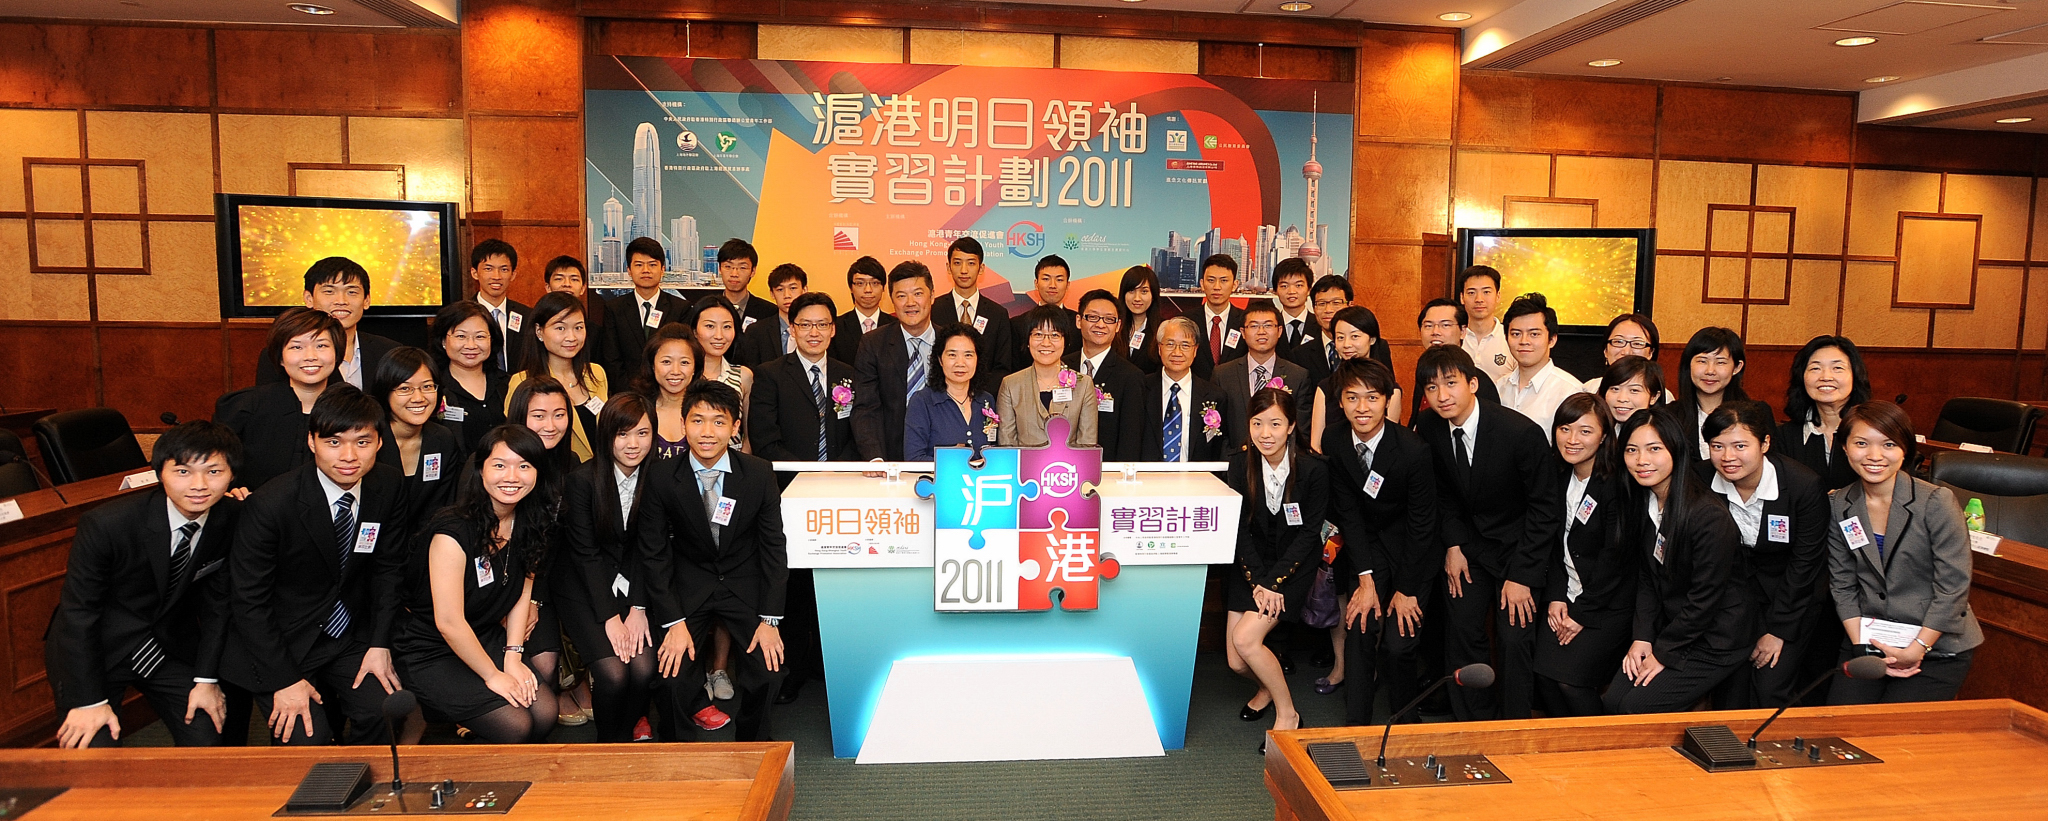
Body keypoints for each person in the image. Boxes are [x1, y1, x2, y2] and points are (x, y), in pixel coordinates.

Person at [219, 385, 409, 745]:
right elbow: (249, 601)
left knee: (383, 710)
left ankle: (363, 779)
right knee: (308, 741)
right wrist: (285, 680)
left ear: (380, 443)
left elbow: (388, 568)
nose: (349, 456)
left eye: (362, 442)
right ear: (312, 442)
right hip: (280, 640)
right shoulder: (272, 504)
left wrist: (379, 644)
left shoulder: (388, 484)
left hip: (345, 633)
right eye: (334, 442)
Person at [46, 421, 244, 748]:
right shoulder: (106, 525)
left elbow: (218, 607)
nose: (199, 485)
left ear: (232, 475)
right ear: (159, 473)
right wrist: (89, 702)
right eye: (183, 472)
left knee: (207, 734)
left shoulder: (232, 518)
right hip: (97, 646)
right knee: (93, 751)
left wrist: (205, 679)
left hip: (165, 643)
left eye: (213, 472)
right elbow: (78, 614)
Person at [1413, 345, 1560, 721]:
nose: (1442, 395)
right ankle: (1473, 722)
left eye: (1451, 383)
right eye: (1431, 388)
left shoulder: (1520, 433)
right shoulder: (1429, 426)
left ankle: (1513, 727)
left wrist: (1523, 575)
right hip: (1469, 546)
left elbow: (1545, 510)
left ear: (1473, 383)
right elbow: (1442, 492)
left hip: (1518, 548)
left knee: (1513, 638)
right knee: (1461, 628)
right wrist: (1453, 544)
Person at [641, 381, 790, 742]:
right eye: (698, 420)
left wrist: (769, 619)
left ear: (735, 427)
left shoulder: (758, 473)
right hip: (689, 586)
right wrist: (673, 621)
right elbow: (654, 553)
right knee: (670, 675)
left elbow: (773, 547)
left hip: (743, 585)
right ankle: (677, 749)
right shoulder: (661, 476)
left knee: (770, 672)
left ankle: (752, 746)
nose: (707, 432)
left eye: (719, 422)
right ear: (683, 423)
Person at [396, 424, 558, 743]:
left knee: (545, 712)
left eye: (524, 466)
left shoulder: (531, 521)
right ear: (481, 469)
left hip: (484, 634)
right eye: (500, 465)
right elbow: (449, 622)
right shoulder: (452, 532)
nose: (512, 477)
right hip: (430, 647)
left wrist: (513, 656)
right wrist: (493, 675)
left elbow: (522, 591)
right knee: (516, 725)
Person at [1827, 401, 1983, 704]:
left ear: (1905, 449)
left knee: (1897, 731)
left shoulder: (1936, 502)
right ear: (1844, 447)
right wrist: (1861, 647)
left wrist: (1917, 648)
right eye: (1861, 443)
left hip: (1935, 646)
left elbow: (1953, 586)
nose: (1874, 456)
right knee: (1839, 724)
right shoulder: (1839, 505)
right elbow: (1842, 584)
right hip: (1869, 641)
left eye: (1888, 444)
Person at [1605, 406, 1750, 714]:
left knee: (1634, 707)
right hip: (1673, 629)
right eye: (1632, 450)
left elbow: (1705, 599)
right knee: (1613, 701)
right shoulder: (1644, 501)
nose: (1642, 460)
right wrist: (1642, 638)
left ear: (1676, 450)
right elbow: (1647, 577)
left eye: (1654, 449)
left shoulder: (1707, 516)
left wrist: (1663, 652)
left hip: (1715, 637)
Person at [1321, 359, 1440, 726]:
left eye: (1372, 397)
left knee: (1399, 642)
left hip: (1412, 549)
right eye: (1352, 397)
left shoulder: (1412, 449)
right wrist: (1366, 579)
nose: (1362, 407)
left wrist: (1405, 589)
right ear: (1340, 401)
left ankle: (1405, 723)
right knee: (1359, 625)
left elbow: (1422, 524)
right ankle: (1356, 724)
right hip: (1367, 546)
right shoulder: (1334, 439)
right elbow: (1348, 512)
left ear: (1388, 401)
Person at [1702, 400, 1831, 709]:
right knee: (1730, 690)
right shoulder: (1701, 480)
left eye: (1740, 446)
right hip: (1731, 601)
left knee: (1769, 686)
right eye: (1717, 446)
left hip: (1790, 599)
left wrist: (1777, 630)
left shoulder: (1802, 486)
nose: (1728, 457)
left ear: (1765, 444)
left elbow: (1805, 565)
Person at [1225, 388, 1329, 750]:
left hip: (1292, 568)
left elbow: (1309, 534)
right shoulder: (1240, 463)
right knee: (1235, 661)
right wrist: (1258, 580)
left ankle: (1288, 714)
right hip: (1250, 566)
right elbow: (1239, 529)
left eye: (1275, 424)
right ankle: (1266, 687)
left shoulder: (1314, 469)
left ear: (1291, 426)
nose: (1265, 433)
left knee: (1245, 639)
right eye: (1257, 424)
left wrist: (1273, 583)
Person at [560, 397, 660, 742]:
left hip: (634, 583)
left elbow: (652, 549)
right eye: (622, 434)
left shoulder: (658, 477)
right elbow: (585, 555)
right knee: (614, 673)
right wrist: (610, 617)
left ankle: (627, 733)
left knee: (644, 669)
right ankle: (608, 743)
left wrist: (638, 607)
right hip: (585, 588)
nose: (633, 444)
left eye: (642, 433)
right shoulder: (582, 481)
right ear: (606, 436)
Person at [1532, 394, 1634, 717]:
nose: (1572, 439)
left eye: (1585, 431)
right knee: (1543, 676)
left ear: (1604, 436)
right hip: (1566, 596)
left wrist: (1581, 614)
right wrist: (1556, 596)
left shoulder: (1617, 484)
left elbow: (1614, 559)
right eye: (1565, 429)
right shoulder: (1558, 475)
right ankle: (1566, 743)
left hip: (1607, 604)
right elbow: (1552, 544)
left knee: (1570, 682)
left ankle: (1604, 741)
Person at [216, 307, 341, 490]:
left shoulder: (355, 409)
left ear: (337, 353)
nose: (310, 357)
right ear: (280, 358)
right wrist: (231, 491)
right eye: (296, 347)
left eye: (321, 346)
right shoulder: (244, 408)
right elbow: (216, 466)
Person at [752, 292, 858, 475]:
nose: (814, 333)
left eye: (822, 324)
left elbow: (858, 431)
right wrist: (805, 473)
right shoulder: (770, 375)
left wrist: (837, 470)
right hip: (788, 480)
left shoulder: (849, 374)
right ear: (793, 329)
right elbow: (764, 439)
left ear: (833, 329)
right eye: (805, 325)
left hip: (840, 478)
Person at [254, 257, 399, 390]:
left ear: (366, 300)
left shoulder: (389, 351)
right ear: (309, 298)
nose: (341, 301)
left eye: (351, 292)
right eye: (329, 291)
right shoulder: (284, 355)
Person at [507, 292, 609, 463]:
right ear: (539, 331)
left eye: (578, 328)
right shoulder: (523, 381)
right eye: (560, 328)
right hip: (554, 471)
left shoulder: (596, 373)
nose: (571, 337)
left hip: (599, 472)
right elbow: (515, 440)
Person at [854, 261, 938, 462]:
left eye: (918, 294)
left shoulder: (950, 342)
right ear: (891, 300)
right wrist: (875, 458)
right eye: (901, 296)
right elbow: (866, 407)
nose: (910, 303)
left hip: (942, 454)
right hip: (890, 456)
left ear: (932, 295)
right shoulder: (873, 344)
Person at [371, 347, 464, 526]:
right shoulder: (368, 440)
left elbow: (442, 507)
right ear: (385, 391)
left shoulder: (443, 440)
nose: (418, 398)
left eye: (427, 387)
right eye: (405, 388)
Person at [997, 304, 1099, 449]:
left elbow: (1087, 445)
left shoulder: (1084, 385)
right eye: (1038, 334)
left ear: (1065, 341)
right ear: (1028, 341)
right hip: (1024, 463)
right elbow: (1007, 444)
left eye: (1055, 335)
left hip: (1070, 464)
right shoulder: (1011, 384)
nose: (1046, 343)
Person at [1214, 300, 1309, 451]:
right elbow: (1218, 429)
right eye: (1254, 326)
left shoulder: (1298, 376)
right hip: (1235, 460)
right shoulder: (1223, 374)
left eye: (1268, 325)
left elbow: (1301, 429)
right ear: (1243, 332)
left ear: (1279, 331)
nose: (1261, 331)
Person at [1779, 335, 1869, 491]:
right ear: (1802, 377)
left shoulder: (1874, 431)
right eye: (1815, 368)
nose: (1826, 377)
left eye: (1837, 368)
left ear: (1855, 375)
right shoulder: (1784, 436)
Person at [1308, 307, 1402, 450]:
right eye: (1340, 337)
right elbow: (1316, 444)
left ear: (1372, 339)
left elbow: (1388, 442)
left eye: (1355, 336)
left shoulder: (1390, 389)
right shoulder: (1326, 387)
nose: (1346, 344)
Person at [1138, 316, 1229, 463]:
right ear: (1159, 348)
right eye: (1170, 344)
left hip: (1197, 476)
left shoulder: (1214, 396)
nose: (1177, 352)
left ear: (1195, 350)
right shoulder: (1140, 389)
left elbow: (1218, 448)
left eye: (1185, 345)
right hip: (1148, 475)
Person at [1070, 289, 1145, 462]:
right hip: (1061, 468)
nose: (1101, 324)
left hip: (1107, 469)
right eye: (1093, 317)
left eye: (1109, 319)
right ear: (1079, 321)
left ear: (1118, 326)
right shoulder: (1061, 367)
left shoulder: (1131, 377)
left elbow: (1130, 440)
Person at [1495, 294, 1584, 440]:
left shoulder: (1570, 392)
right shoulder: (1499, 387)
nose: (1524, 341)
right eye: (1516, 334)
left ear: (1552, 340)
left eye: (1534, 334)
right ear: (1506, 338)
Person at [905, 324, 999, 460]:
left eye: (968, 355)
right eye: (952, 355)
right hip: (939, 475)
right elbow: (914, 459)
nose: (960, 363)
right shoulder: (922, 401)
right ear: (940, 360)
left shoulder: (986, 400)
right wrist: (955, 462)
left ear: (977, 359)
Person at [601, 238, 689, 381]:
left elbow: (684, 354)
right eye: (639, 265)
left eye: (652, 265)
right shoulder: (614, 309)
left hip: (668, 387)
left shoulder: (680, 308)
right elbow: (611, 359)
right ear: (629, 270)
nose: (646, 270)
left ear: (662, 269)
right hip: (627, 389)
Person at [429, 301, 509, 455]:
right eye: (461, 336)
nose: (471, 345)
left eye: (480, 336)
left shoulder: (508, 384)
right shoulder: (432, 388)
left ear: (491, 340)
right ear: (444, 341)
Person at [930, 237, 1015, 375]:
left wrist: (980, 389)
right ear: (948, 267)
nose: (964, 270)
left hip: (986, 388)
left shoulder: (998, 314)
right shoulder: (933, 309)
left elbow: (1002, 366)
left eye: (971, 263)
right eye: (957, 263)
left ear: (981, 268)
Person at [1411, 299, 1499, 421]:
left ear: (1463, 331)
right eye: (1428, 326)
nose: (1435, 332)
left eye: (1445, 325)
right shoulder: (1426, 372)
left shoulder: (1478, 380)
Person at [1677, 327, 1751, 456]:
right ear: (1689, 364)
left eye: (1720, 362)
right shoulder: (1670, 416)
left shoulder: (1755, 414)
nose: (1710, 371)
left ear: (1737, 367)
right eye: (1702, 361)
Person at [637, 325, 701, 461]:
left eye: (684, 362)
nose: (675, 371)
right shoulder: (638, 410)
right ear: (652, 365)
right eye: (666, 362)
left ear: (695, 367)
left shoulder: (707, 410)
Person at [469, 239, 529, 374]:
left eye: (504, 269)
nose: (496, 276)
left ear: (513, 275)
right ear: (474, 273)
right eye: (488, 269)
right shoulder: (460, 316)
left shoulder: (527, 316)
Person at [735, 263, 809, 368]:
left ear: (804, 290)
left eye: (793, 288)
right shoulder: (757, 332)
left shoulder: (817, 329)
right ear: (772, 294)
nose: (787, 295)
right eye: (780, 289)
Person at [1010, 255, 1078, 366]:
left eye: (1059, 280)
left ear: (1067, 285)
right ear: (1036, 283)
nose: (1052, 285)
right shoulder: (1018, 324)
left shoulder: (1078, 324)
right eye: (1046, 279)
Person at [545, 255, 606, 373]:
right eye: (559, 279)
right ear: (548, 287)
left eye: (574, 279)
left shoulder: (595, 332)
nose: (567, 284)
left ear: (583, 288)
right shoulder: (537, 324)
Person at [1192, 254, 1247, 380]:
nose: (1217, 287)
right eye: (1211, 280)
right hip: (1196, 390)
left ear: (1234, 285)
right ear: (1202, 284)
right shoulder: (1186, 321)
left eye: (1224, 281)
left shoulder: (1245, 321)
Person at [833, 256, 895, 366]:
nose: (868, 290)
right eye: (860, 283)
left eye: (875, 283)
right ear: (851, 288)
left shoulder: (896, 326)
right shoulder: (836, 327)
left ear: (883, 287)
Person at [1582, 313, 1662, 395]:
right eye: (1618, 341)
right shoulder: (1589, 389)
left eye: (1637, 343)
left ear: (1651, 353)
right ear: (1605, 350)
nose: (1626, 352)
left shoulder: (1664, 397)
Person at [1458, 265, 1512, 383]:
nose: (1479, 299)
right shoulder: (1454, 337)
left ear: (1498, 296)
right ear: (1462, 297)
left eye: (1486, 292)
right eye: (1471, 293)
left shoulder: (1510, 337)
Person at [1117, 264, 1172, 374]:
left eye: (1144, 291)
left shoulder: (1165, 329)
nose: (1137, 298)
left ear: (1153, 295)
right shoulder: (1113, 326)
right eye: (1131, 291)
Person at [715, 238, 778, 331]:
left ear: (753, 271)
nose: (734, 274)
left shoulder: (769, 312)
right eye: (728, 266)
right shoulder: (706, 308)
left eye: (742, 268)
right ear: (719, 269)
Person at [1598, 355, 1666, 437]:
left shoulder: (1661, 436)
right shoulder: (1598, 431)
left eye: (1634, 390)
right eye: (1615, 389)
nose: (1622, 399)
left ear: (1654, 397)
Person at [1271, 259, 1317, 352]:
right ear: (1275, 291)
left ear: (1309, 289)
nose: (1291, 291)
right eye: (1284, 286)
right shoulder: (1270, 326)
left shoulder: (1320, 326)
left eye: (1298, 285)